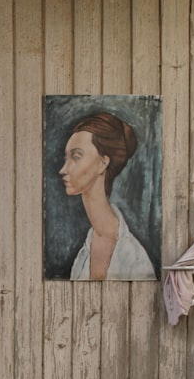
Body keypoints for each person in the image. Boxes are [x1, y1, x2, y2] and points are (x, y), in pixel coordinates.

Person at [59, 111, 155, 281]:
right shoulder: (83, 254)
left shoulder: (135, 258)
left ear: (103, 163)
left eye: (76, 156)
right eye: (66, 158)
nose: (63, 169)